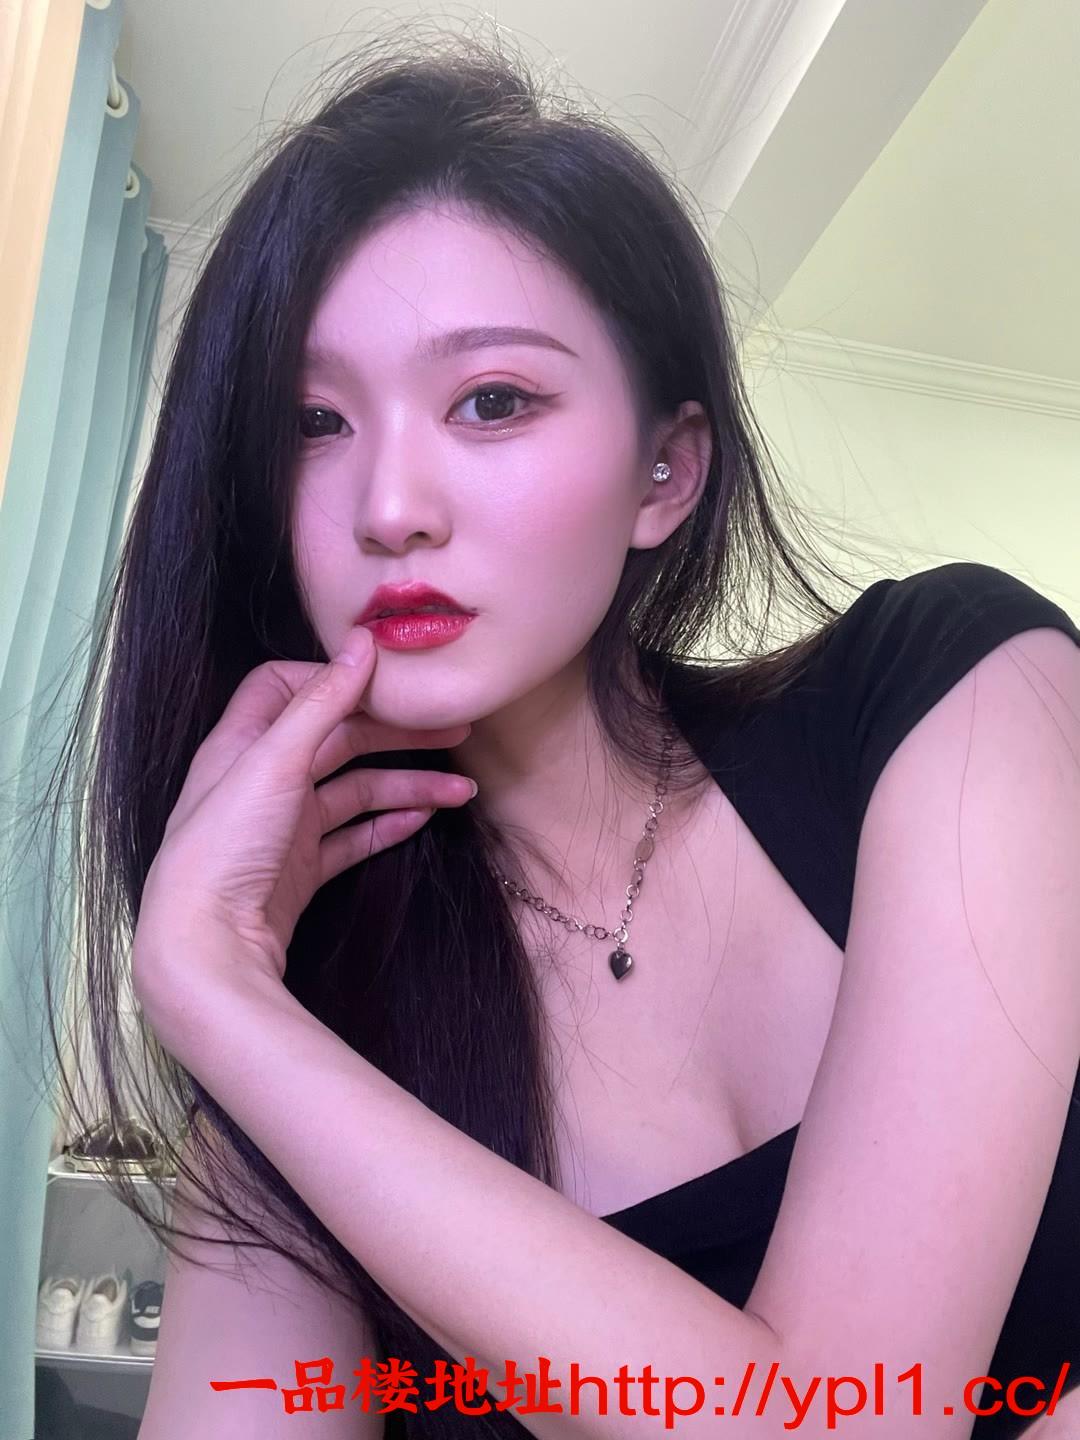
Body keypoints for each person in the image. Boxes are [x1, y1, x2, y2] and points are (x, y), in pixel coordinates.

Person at [31, 28, 1080, 1440]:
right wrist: (221, 998)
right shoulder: (305, 1032)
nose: (389, 506)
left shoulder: (951, 695)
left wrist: (220, 998)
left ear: (665, 473)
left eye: (492, 401)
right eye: (314, 422)